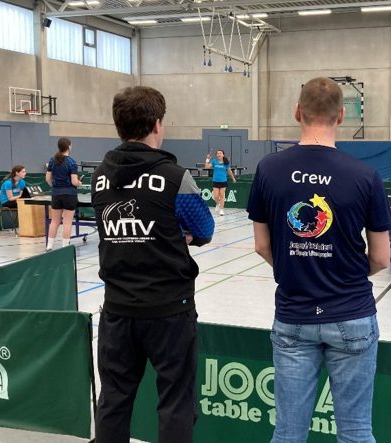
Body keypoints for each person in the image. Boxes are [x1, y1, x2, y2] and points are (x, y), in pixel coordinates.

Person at [247, 77, 391, 443]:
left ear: (298, 112)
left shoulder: (268, 169)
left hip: (293, 315)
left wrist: (295, 269)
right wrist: (344, 273)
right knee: (356, 432)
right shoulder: (366, 175)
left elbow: (262, 246)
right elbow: (381, 257)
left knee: (288, 433)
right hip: (352, 313)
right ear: (341, 116)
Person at [91, 86, 215, 443]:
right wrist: (177, 234)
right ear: (158, 124)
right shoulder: (175, 178)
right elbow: (204, 229)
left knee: (113, 401)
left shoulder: (99, 176)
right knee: (175, 403)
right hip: (169, 312)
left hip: (117, 311)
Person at [45, 137, 82, 251]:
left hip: (56, 194)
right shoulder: (72, 162)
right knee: (67, 222)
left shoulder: (52, 160)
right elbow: (74, 182)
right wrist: (79, 183)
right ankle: (65, 247)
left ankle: (49, 246)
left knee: (54, 221)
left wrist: (55, 187)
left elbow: (47, 179)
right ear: (69, 146)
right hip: (69, 194)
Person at [204, 149, 237, 216]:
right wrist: (207, 159)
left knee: (222, 195)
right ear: (216, 155)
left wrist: (233, 178)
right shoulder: (214, 161)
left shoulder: (226, 163)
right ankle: (217, 204)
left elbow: (229, 171)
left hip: (223, 181)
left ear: (223, 155)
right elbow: (206, 167)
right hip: (215, 181)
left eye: (220, 153)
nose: (219, 154)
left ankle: (221, 209)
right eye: (218, 153)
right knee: (216, 196)